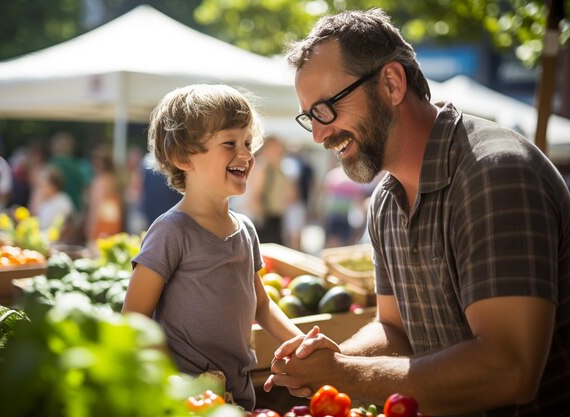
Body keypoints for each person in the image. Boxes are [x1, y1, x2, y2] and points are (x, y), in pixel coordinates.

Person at [264, 9, 570, 416]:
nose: (319, 134)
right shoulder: (386, 201)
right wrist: (329, 359)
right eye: (310, 118)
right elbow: (396, 330)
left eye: (326, 108)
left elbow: (508, 371)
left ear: (391, 83)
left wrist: (343, 372)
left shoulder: (496, 173)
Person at [121, 84, 303, 411]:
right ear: (182, 157)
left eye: (248, 142)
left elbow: (262, 305)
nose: (246, 154)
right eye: (229, 143)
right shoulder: (170, 231)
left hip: (239, 394)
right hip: (186, 401)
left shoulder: (246, 229)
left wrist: (300, 344)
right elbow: (135, 320)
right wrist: (175, 384)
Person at [29, 165, 74, 231]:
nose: (40, 189)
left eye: (43, 185)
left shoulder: (62, 202)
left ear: (53, 186)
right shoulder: (45, 200)